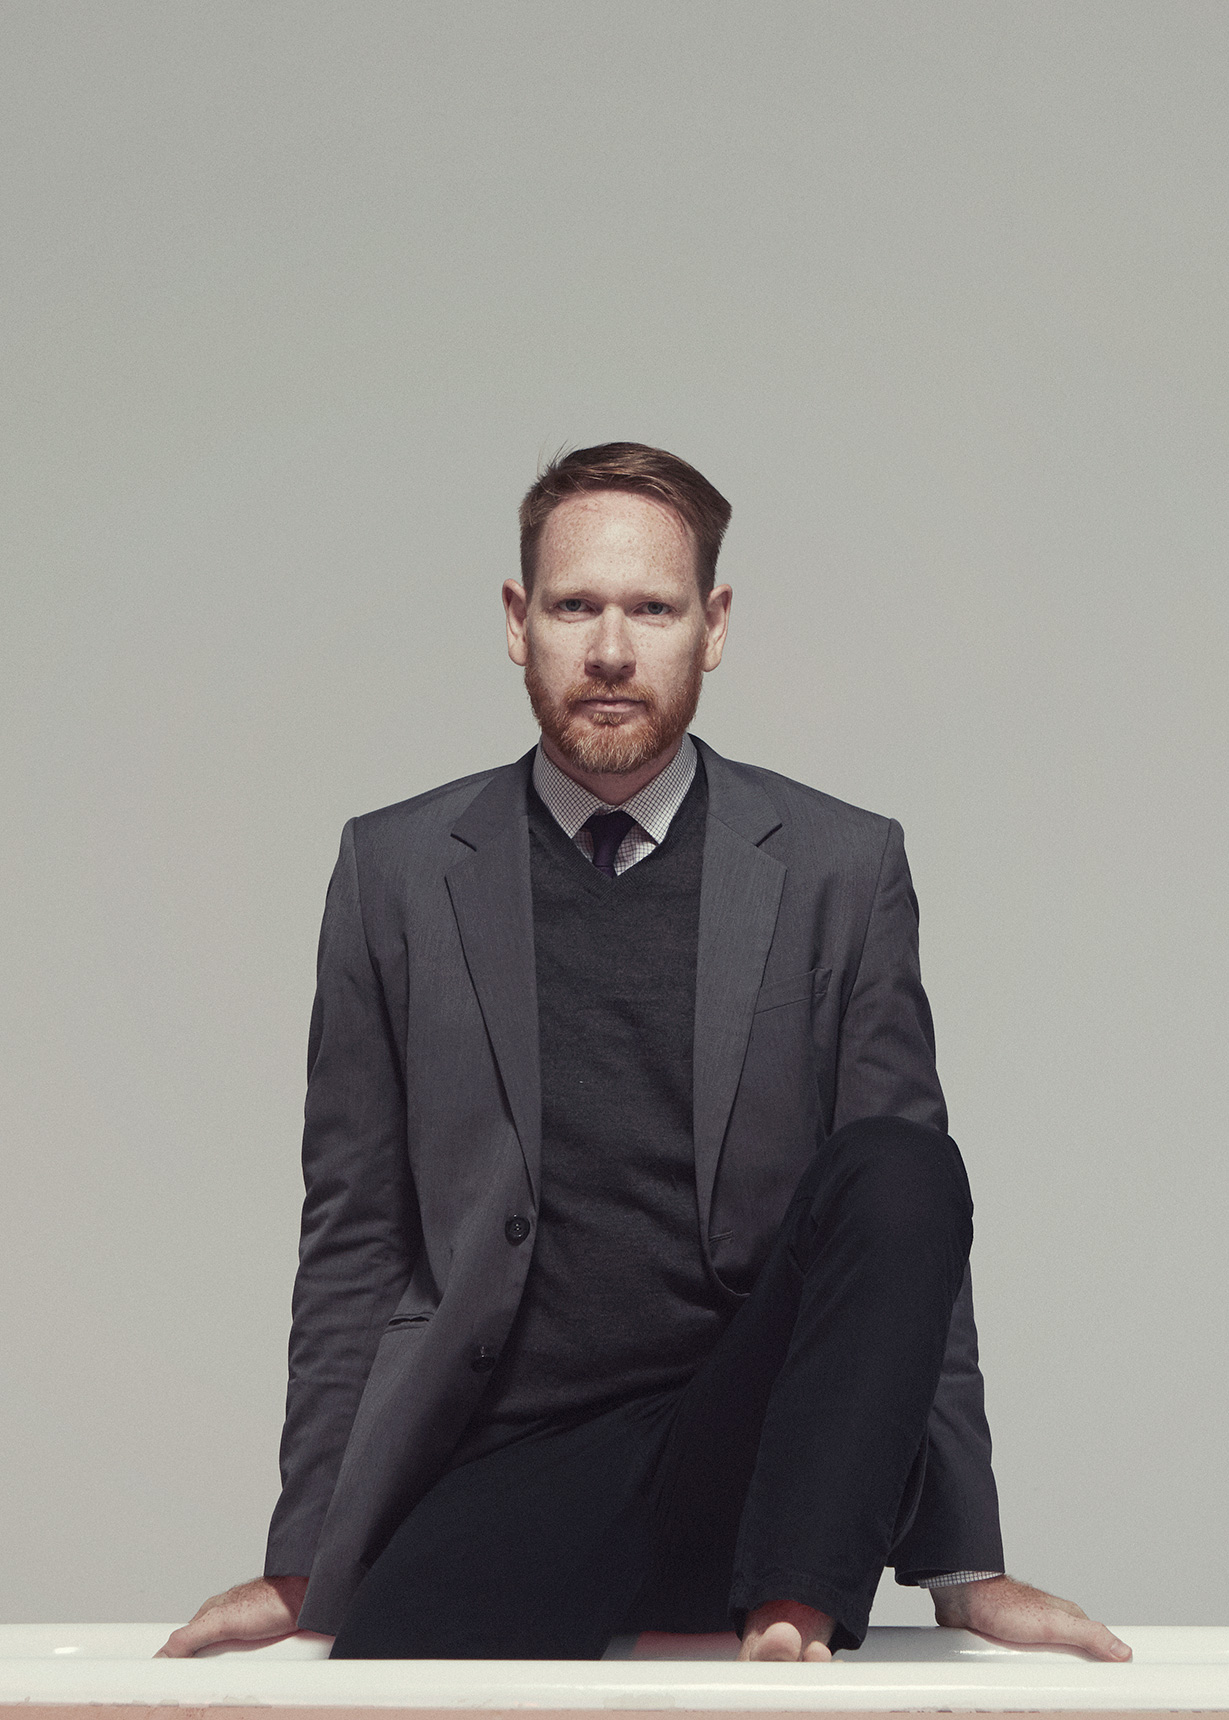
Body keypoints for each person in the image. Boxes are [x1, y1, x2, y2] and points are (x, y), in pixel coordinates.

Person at [157, 444, 1129, 1665]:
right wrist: (304, 1556)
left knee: (902, 1166)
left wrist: (961, 1566)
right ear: (517, 622)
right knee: (399, 1653)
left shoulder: (840, 867)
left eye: (652, 610)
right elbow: (353, 1233)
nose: (611, 650)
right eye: (575, 606)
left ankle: (790, 1607)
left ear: (710, 627)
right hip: (511, 1469)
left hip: (758, 1454)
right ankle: (751, 1610)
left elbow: (907, 1252)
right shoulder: (392, 872)